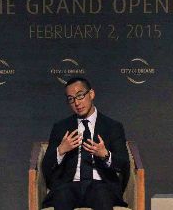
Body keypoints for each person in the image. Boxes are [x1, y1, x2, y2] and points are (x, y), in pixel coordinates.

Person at [41, 77, 130, 210]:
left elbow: (124, 164)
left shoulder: (112, 127)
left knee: (102, 196)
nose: (77, 103)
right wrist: (61, 150)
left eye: (80, 96)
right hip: (69, 185)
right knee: (62, 196)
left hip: (101, 185)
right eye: (71, 99)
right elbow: (46, 166)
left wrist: (105, 155)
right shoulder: (60, 127)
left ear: (91, 94)